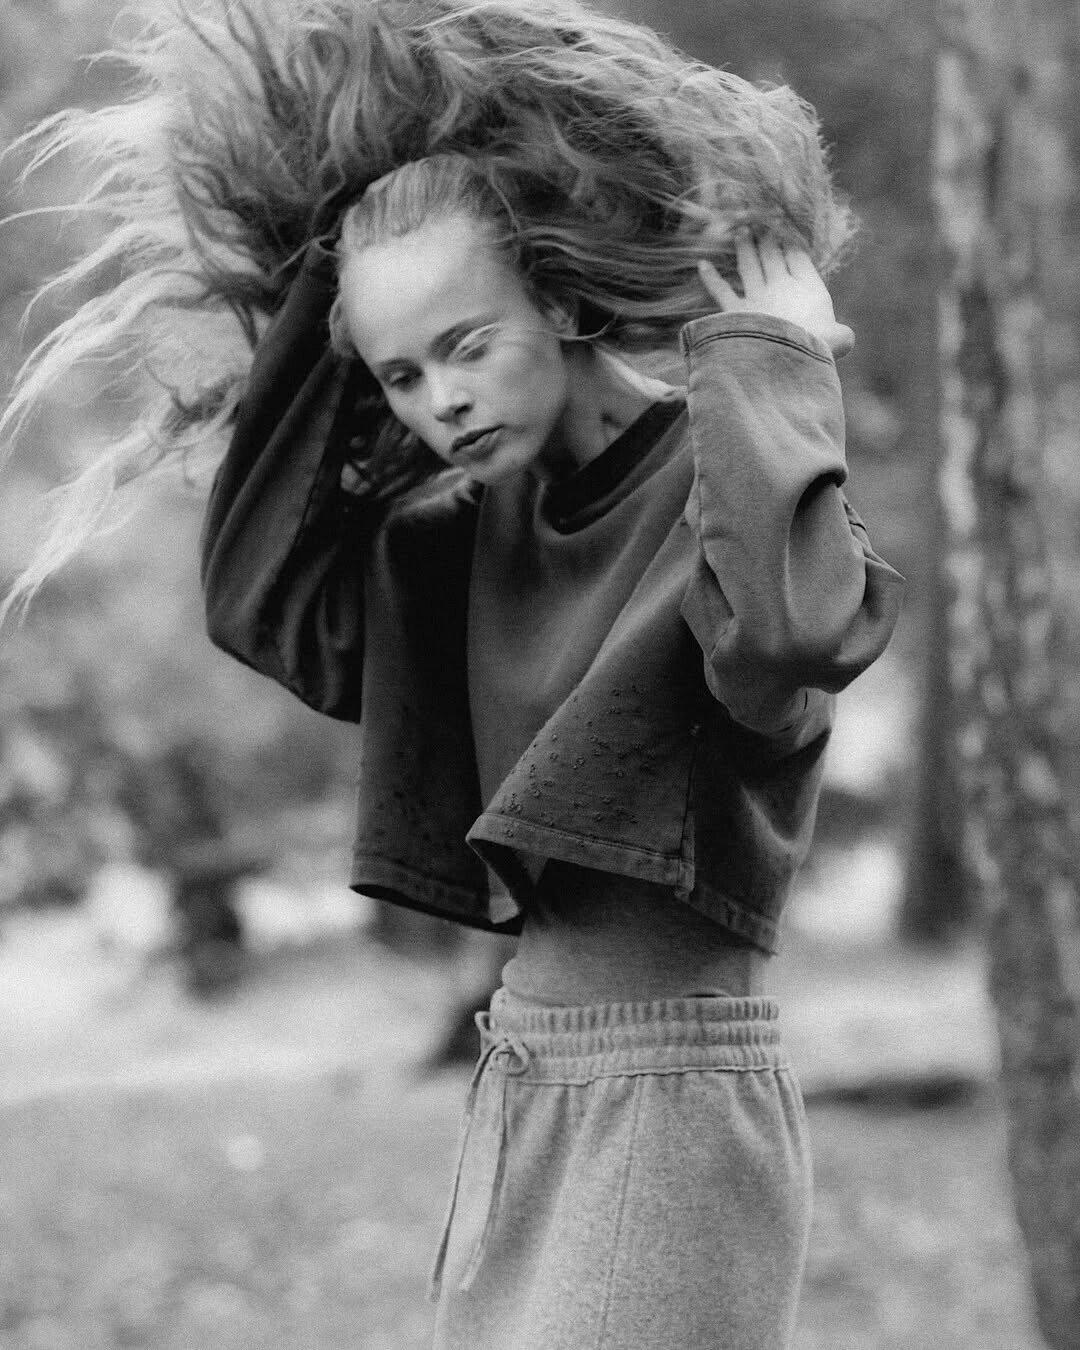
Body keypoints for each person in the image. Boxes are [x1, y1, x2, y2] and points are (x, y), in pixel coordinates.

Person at [3, 2, 905, 1345]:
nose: (442, 401)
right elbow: (261, 603)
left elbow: (790, 637)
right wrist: (342, 253)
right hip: (525, 1078)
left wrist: (772, 366)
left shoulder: (722, 470)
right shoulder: (466, 536)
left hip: (670, 1094)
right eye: (403, 376)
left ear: (561, 298)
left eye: (468, 345)